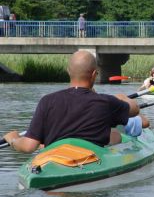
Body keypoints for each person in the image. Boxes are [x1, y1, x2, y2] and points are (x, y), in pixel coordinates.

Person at [3, 50, 140, 153]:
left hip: (54, 160)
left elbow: (28, 147)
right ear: (94, 74)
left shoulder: (47, 101)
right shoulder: (106, 102)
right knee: (116, 137)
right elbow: (135, 110)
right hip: (91, 160)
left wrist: (13, 139)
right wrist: (122, 97)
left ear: (69, 72)